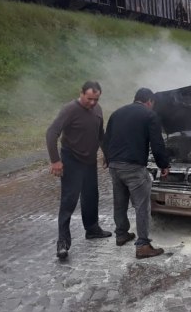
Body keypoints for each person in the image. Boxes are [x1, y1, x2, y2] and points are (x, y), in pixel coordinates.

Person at [102, 88, 170, 259]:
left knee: (120, 201)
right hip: (133, 167)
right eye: (153, 104)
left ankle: (121, 234)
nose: (152, 107)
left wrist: (108, 157)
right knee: (141, 205)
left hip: (115, 165)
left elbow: (106, 138)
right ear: (149, 101)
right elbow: (157, 143)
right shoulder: (149, 115)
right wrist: (164, 165)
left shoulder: (117, 113)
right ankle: (143, 245)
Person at [46, 81, 111, 260]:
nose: (92, 103)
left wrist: (106, 153)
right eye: (89, 98)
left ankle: (92, 229)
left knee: (91, 195)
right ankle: (63, 242)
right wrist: (55, 161)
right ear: (81, 93)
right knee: (69, 200)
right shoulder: (69, 110)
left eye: (96, 99)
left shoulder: (98, 110)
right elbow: (51, 133)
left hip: (89, 161)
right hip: (72, 160)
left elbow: (100, 134)